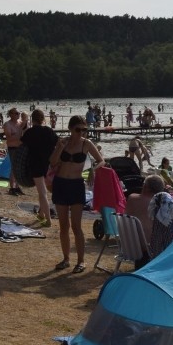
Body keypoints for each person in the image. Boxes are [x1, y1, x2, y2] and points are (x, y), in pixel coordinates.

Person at [50, 115, 105, 273]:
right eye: (78, 129)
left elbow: (101, 160)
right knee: (63, 225)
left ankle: (81, 261)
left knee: (76, 225)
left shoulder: (87, 144)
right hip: (60, 184)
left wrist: (92, 170)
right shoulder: (63, 142)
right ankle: (66, 259)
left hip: (76, 185)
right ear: (70, 128)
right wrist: (60, 147)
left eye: (84, 129)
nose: (81, 132)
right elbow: (53, 162)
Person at [20, 109, 59, 228]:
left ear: (33, 119)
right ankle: (42, 214)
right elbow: (58, 144)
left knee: (42, 193)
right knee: (44, 192)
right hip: (49, 164)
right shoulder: (49, 131)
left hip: (35, 164)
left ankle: (48, 220)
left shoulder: (30, 132)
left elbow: (21, 144)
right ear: (43, 119)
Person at [124, 174, 166, 243]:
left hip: (129, 243)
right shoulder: (158, 204)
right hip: (148, 246)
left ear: (145, 186)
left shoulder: (132, 198)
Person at [3, 108, 25, 196]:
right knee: (13, 167)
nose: (18, 115)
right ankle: (12, 188)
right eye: (16, 113)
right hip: (12, 148)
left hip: (20, 147)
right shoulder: (7, 124)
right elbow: (9, 138)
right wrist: (19, 132)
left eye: (18, 113)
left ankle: (17, 186)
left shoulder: (20, 123)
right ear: (11, 114)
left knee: (19, 168)